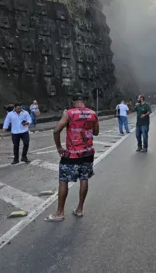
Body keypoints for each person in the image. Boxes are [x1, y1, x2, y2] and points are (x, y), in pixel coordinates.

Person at [45, 93, 99, 222]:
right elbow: (96, 132)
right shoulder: (93, 113)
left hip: (72, 154)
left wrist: (59, 147)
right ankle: (79, 209)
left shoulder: (69, 113)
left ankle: (59, 213)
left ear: (73, 102)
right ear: (84, 101)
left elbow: (56, 130)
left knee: (63, 180)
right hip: (87, 153)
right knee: (84, 178)